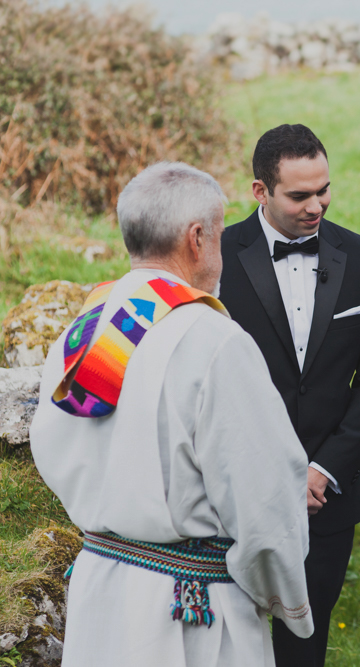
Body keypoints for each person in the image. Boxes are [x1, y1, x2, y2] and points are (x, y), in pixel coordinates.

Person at [29, 162, 314, 667]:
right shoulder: (214, 340)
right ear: (197, 239)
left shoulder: (86, 326)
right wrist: (283, 595)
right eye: (220, 236)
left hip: (100, 587)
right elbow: (266, 497)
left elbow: (49, 446)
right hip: (191, 610)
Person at [219, 124, 360, 666]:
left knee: (305, 647)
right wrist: (266, 475)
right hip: (237, 493)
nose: (316, 206)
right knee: (230, 640)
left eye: (324, 190)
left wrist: (323, 470)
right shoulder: (217, 257)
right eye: (299, 195)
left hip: (328, 499)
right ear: (260, 191)